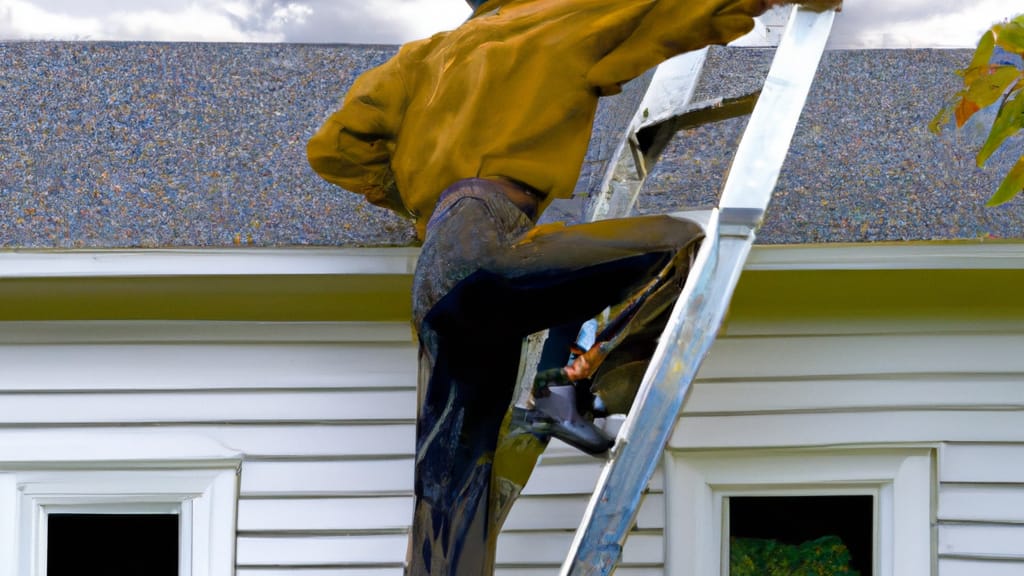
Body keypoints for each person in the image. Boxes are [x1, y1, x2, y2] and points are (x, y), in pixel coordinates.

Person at [307, 0, 841, 573]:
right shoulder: (561, 16)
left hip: (439, 270)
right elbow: (676, 10)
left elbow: (335, 148)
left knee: (451, 501)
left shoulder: (421, 57)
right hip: (490, 248)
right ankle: (567, 384)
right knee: (681, 243)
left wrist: (411, 190)